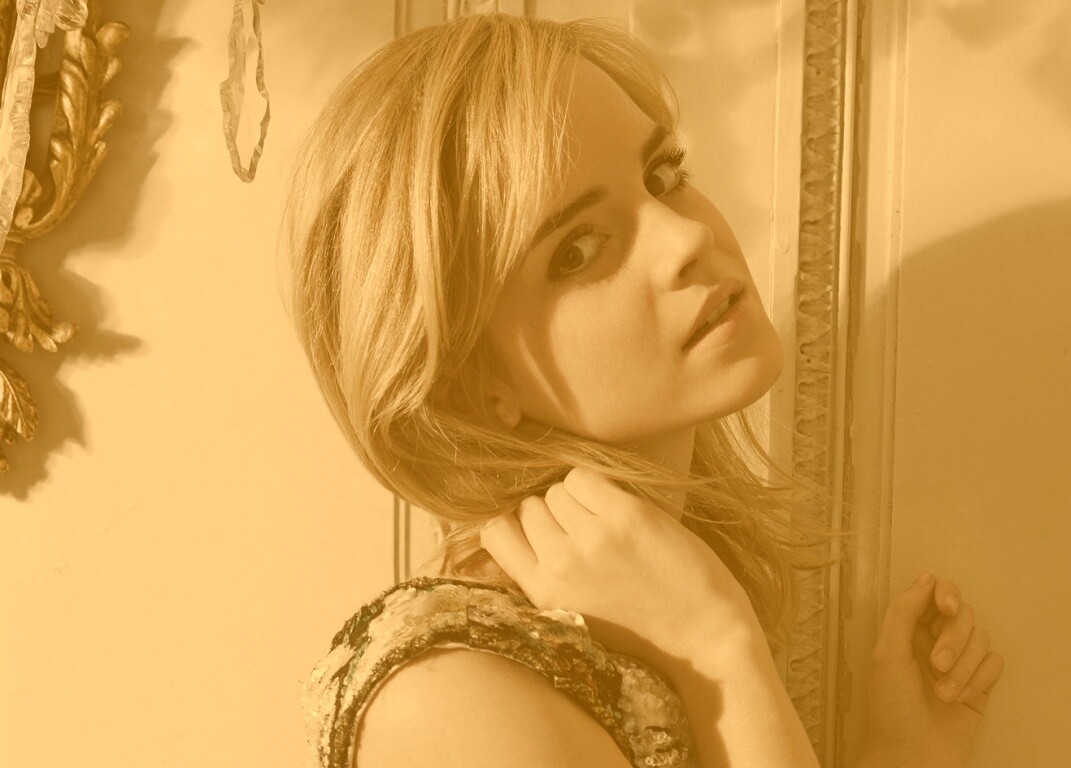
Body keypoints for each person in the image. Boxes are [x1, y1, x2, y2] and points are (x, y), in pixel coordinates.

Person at [282, 13, 1004, 768]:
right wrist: (717, 652)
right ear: (470, 385)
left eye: (663, 177)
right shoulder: (453, 703)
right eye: (578, 249)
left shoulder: (635, 604)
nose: (687, 238)